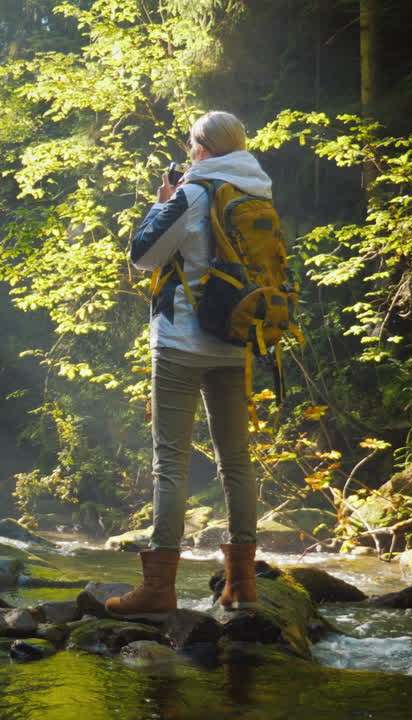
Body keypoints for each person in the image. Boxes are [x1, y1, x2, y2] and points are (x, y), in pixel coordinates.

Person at [105, 110, 269, 615]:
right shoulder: (257, 193)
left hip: (181, 342)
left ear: (201, 148)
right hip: (236, 341)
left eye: (192, 145)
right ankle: (242, 584)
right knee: (236, 460)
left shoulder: (193, 193)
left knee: (170, 461)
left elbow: (143, 256)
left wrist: (161, 204)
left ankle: (159, 588)